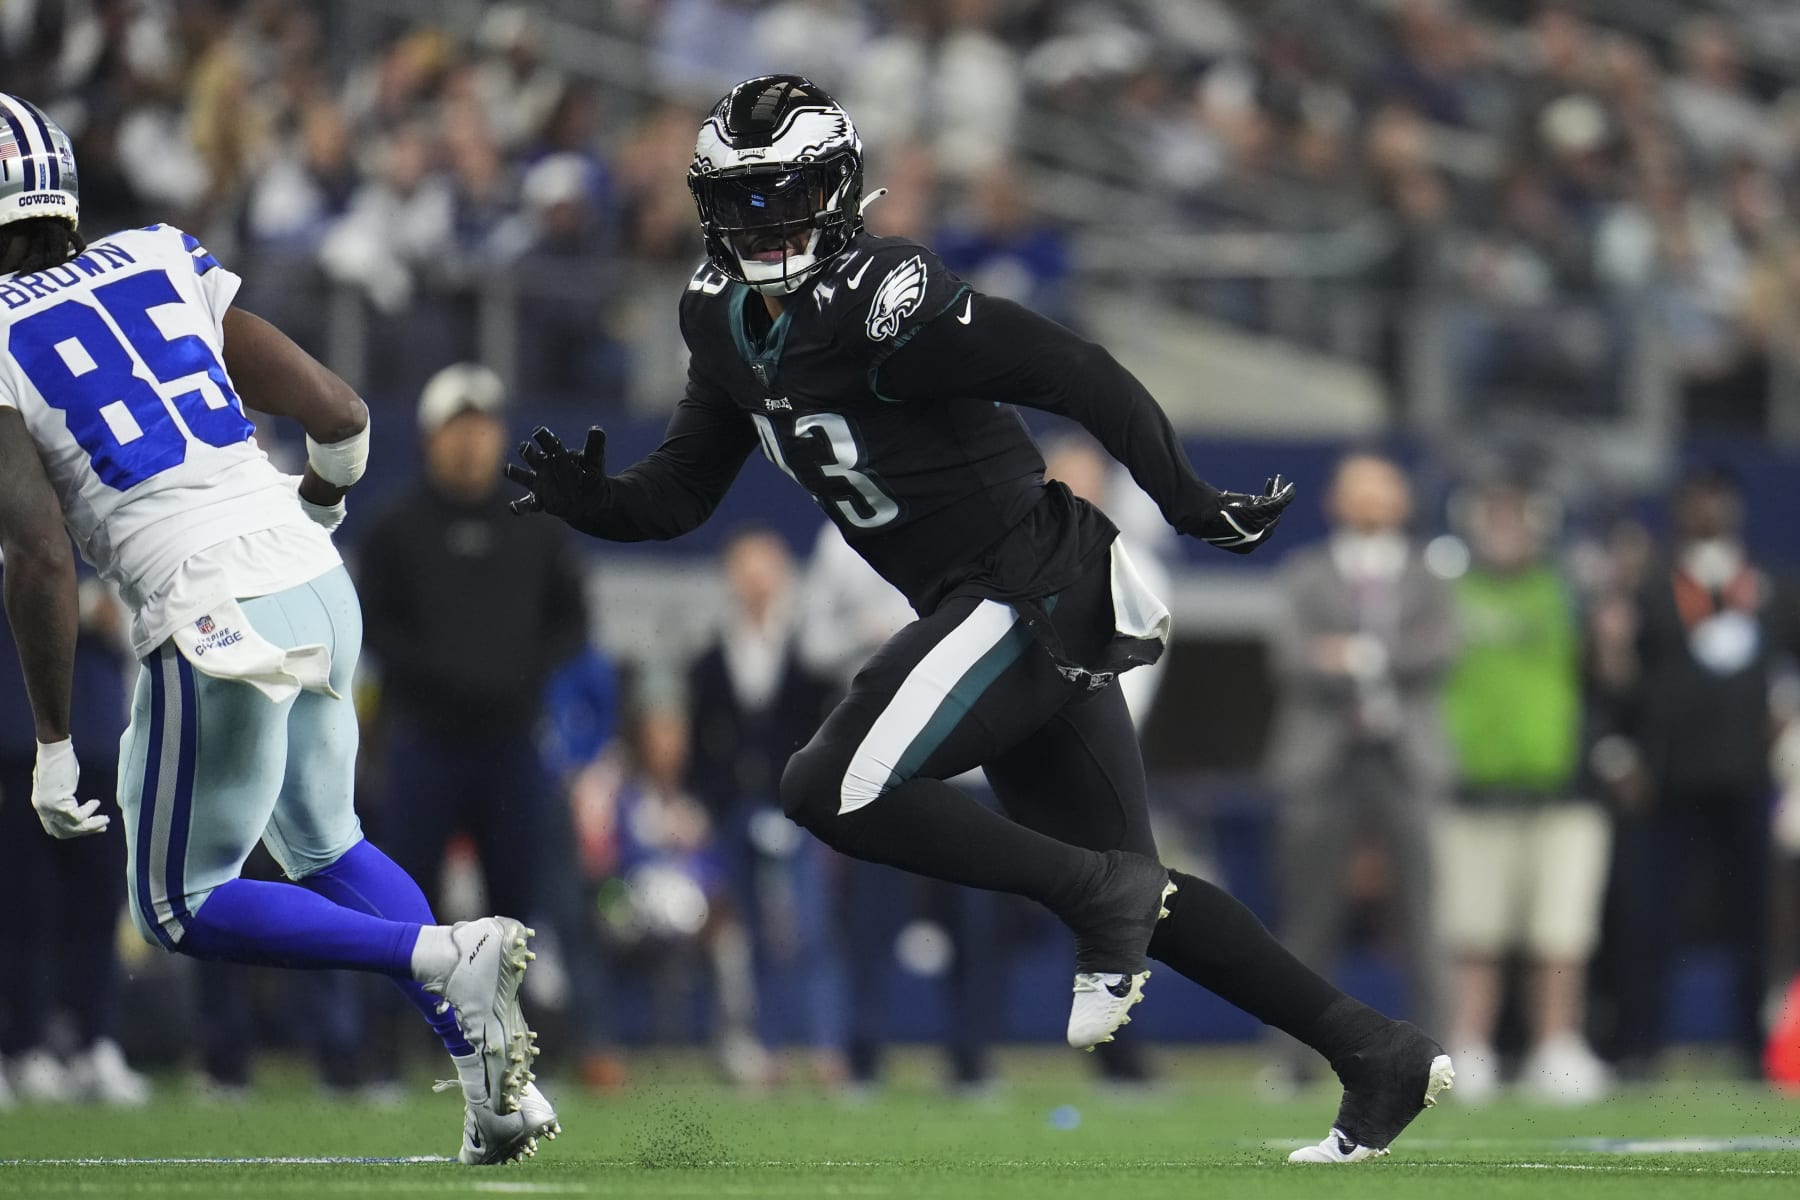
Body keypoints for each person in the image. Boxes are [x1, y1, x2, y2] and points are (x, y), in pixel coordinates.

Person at [506, 75, 1452, 1162]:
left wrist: (1185, 497)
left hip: (1024, 583)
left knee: (832, 786)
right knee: (1142, 893)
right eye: (742, 199)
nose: (764, 222)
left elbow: (1075, 370)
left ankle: (1102, 898)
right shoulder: (718, 316)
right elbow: (680, 491)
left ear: (840, 190)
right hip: (991, 602)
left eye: (788, 194)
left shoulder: (885, 296)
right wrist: (599, 504)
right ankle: (1376, 1052)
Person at [0, 96, 551, 1162]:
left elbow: (38, 555)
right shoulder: (158, 253)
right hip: (312, 578)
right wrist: (320, 509)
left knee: (175, 903)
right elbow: (341, 417)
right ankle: (496, 1088)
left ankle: (442, 956)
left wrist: (56, 745)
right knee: (326, 842)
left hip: (206, 604)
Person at [356, 363, 611, 1086]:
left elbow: (573, 623)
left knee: (515, 911)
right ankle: (384, 1054)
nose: (471, 443)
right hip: (424, 741)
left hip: (510, 742)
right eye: (457, 428)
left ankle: (507, 1058)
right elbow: (375, 627)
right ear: (430, 437)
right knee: (405, 905)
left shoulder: (539, 526)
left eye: (482, 427)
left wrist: (517, 673)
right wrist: (449, 676)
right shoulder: (394, 528)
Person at [1265, 454, 1454, 1088]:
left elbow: (1441, 648)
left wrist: (1355, 655)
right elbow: (1290, 656)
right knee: (1308, 919)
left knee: (1423, 917)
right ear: (1334, 501)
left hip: (1406, 758)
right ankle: (1293, 1062)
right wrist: (1370, 658)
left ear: (1403, 500)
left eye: (1382, 489)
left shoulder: (1430, 573)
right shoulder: (1305, 572)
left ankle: (1435, 1060)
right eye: (1358, 490)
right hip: (1322, 760)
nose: (1371, 502)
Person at [1609, 468, 1793, 1077]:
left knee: (1754, 916)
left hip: (1747, 773)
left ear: (1736, 507)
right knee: (1652, 915)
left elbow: (1788, 664)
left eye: (1718, 499)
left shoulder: (1767, 584)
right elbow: (1625, 680)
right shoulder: (1652, 586)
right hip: (1669, 775)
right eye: (1697, 500)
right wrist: (1623, 753)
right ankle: (1641, 1044)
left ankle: (1752, 1045)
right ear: (1680, 509)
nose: (1708, 511)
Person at [1436, 481, 1611, 1104]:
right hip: (1472, 788)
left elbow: (1608, 670)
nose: (1506, 527)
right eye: (1495, 514)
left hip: (1560, 786)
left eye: (1517, 516)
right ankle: (1470, 1045)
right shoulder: (1449, 589)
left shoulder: (1569, 589)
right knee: (1474, 930)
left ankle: (1556, 1045)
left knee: (1561, 933)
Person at [0, 577, 148, 1105]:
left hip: (99, 734)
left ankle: (97, 1043)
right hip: (19, 733)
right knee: (24, 905)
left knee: (98, 904)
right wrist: (76, 602)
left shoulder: (105, 529)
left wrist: (114, 612)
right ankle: (23, 1045)